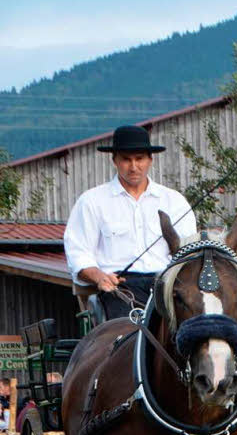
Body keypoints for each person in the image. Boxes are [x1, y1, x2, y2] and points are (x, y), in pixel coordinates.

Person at [64, 125, 197, 320]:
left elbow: (190, 251)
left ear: (150, 160)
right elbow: (79, 254)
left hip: (168, 287)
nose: (134, 166)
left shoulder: (174, 201)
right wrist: (100, 277)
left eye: (139, 159)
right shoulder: (92, 201)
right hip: (119, 289)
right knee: (125, 336)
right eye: (126, 159)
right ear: (115, 160)